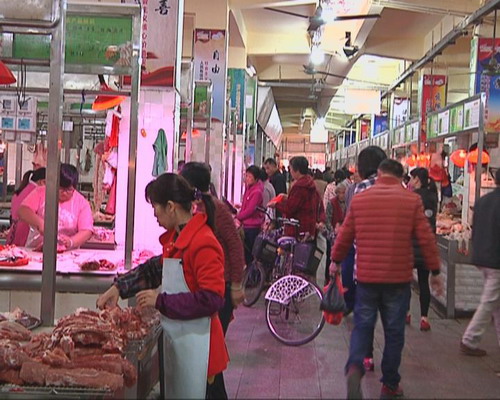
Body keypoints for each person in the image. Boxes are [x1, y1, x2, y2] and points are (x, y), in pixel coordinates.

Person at [97, 173, 228, 399]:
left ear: (170, 207)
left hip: (202, 351)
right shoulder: (177, 238)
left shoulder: (203, 243)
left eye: (155, 207)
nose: (155, 214)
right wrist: (118, 287)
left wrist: (161, 301)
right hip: (181, 345)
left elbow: (212, 298)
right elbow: (153, 270)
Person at [331, 159, 443, 399]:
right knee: (394, 332)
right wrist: (434, 271)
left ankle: (354, 366)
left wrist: (335, 261)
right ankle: (390, 383)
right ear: (401, 176)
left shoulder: (360, 200)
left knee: (362, 326)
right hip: (397, 279)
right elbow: (426, 238)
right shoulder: (412, 201)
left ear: (379, 173)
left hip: (367, 277)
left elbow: (345, 235)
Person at [181, 162, 245, 335]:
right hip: (203, 283)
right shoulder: (193, 208)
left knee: (213, 338)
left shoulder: (217, 209)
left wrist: (237, 285)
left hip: (221, 284)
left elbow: (235, 246)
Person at [460, 168, 500, 357]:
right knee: (489, 301)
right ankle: (469, 339)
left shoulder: (483, 201)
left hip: (482, 257)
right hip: (496, 260)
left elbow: (475, 229)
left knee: (496, 303)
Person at [18, 164, 93, 251]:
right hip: (35, 250)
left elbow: (86, 230)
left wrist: (71, 241)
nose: (64, 193)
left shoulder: (81, 202)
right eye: (60, 188)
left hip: (68, 254)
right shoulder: (41, 192)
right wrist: (40, 224)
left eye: (68, 189)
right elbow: (23, 210)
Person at [408, 168, 439, 331]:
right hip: (426, 246)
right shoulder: (433, 196)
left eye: (412, 179)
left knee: (406, 282)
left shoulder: (413, 197)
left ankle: (406, 313)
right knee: (423, 283)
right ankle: (424, 318)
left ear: (418, 179)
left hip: (412, 246)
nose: (410, 182)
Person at [269, 156, 325, 239]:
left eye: (290, 168)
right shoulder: (310, 184)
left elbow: (290, 208)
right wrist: (287, 197)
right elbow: (306, 203)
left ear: (297, 170)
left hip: (298, 230)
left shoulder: (299, 187)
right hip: (309, 229)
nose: (290, 171)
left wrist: (276, 204)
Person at [7, 168, 46, 246]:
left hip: (13, 236)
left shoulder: (20, 191)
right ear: (43, 182)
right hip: (26, 236)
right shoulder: (37, 193)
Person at [237, 166, 264, 266]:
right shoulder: (249, 189)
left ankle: (252, 277)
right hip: (246, 225)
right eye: (246, 175)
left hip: (252, 227)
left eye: (249, 176)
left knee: (250, 255)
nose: (246, 178)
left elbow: (250, 210)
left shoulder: (257, 192)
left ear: (256, 178)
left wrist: (238, 217)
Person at [324, 181, 347, 285]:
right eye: (340, 193)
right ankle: (328, 278)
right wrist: (332, 230)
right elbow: (327, 218)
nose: (342, 195)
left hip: (343, 233)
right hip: (333, 234)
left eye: (343, 193)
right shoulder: (331, 203)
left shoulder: (347, 203)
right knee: (330, 255)